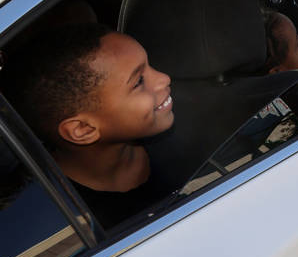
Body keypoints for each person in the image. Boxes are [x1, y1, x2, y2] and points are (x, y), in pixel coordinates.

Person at [3, 22, 176, 228]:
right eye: (138, 82)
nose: (164, 79)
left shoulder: (185, 132)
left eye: (150, 64)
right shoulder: (60, 219)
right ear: (83, 130)